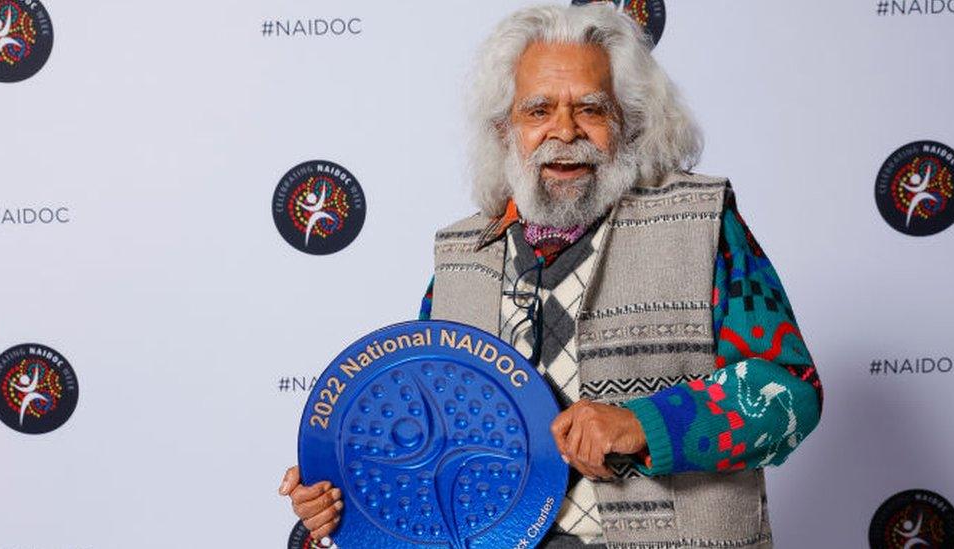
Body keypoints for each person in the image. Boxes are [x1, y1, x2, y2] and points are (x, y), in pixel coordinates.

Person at [280, 4, 823, 548]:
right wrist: (338, 493)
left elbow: (791, 394)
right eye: (538, 111)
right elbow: (429, 436)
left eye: (590, 109)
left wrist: (644, 423)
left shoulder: (702, 225)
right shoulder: (461, 257)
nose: (565, 131)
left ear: (628, 123)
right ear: (504, 130)